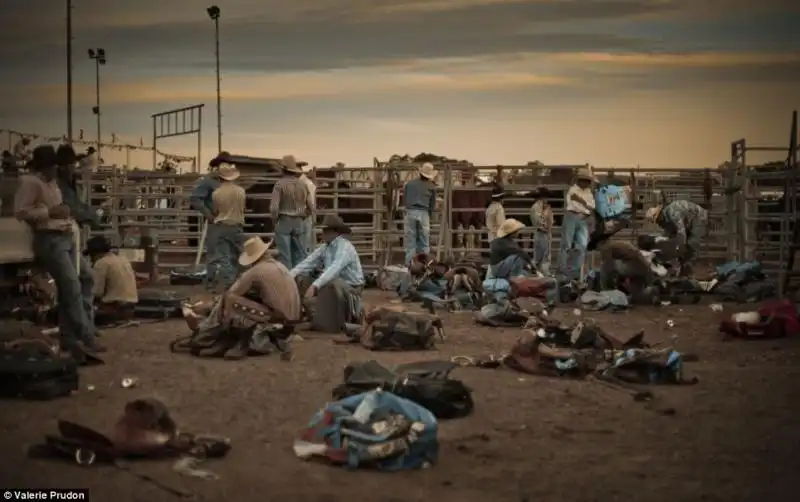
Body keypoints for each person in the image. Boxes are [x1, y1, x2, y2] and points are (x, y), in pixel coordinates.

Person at [13, 145, 104, 356]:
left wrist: (61, 212)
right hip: (50, 238)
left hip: (64, 236)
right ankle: (86, 335)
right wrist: (50, 212)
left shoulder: (51, 183)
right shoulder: (31, 183)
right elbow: (21, 212)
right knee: (72, 286)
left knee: (71, 286)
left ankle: (71, 337)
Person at [183, 236, 303, 360]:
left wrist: (212, 304)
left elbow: (231, 293)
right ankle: (215, 335)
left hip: (278, 318)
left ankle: (213, 335)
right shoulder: (280, 266)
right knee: (240, 299)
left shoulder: (255, 272)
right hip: (291, 319)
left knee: (230, 299)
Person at [291, 214, 365, 332]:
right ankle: (316, 318)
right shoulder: (326, 247)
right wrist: (289, 276)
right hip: (336, 285)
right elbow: (308, 262)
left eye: (326, 230)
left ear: (334, 232)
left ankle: (336, 321)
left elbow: (335, 268)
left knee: (333, 283)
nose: (323, 233)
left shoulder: (345, 247)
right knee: (301, 279)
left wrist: (316, 285)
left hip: (352, 288)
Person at [190, 153, 246, 291]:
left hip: (222, 221)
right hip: (220, 222)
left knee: (227, 254)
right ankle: (214, 283)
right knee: (216, 254)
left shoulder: (219, 185)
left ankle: (228, 283)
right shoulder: (209, 181)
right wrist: (209, 215)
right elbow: (195, 199)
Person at [270, 155, 314, 269]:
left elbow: (274, 208)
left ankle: (287, 282)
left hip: (284, 220)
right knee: (299, 255)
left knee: (285, 256)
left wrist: (275, 221)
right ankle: (298, 282)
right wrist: (304, 215)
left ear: (283, 169)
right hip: (299, 221)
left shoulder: (279, 185)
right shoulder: (303, 184)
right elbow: (311, 206)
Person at [646, 199, 709, 276]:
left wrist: (678, 250)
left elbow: (681, 235)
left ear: (660, 215)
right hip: (689, 222)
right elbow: (669, 236)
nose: (658, 223)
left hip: (699, 217)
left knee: (692, 243)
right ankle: (685, 267)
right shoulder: (666, 219)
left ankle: (691, 269)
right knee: (682, 246)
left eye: (657, 220)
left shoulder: (673, 213)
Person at [85, 236, 139, 325]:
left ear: (95, 253)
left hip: (112, 309)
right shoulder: (123, 260)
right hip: (130, 309)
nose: (90, 259)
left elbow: (97, 292)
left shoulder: (101, 263)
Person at [559, 167, 596, 280]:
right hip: (573, 215)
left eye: (587, 181)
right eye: (584, 180)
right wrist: (585, 206)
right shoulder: (573, 190)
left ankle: (576, 269)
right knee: (567, 243)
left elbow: (592, 206)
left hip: (582, 218)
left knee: (582, 245)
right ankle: (563, 269)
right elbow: (575, 205)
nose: (586, 183)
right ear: (579, 180)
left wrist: (582, 202)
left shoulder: (588, 192)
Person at [402, 162, 437, 264]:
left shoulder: (410, 184)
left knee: (410, 241)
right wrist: (429, 215)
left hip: (411, 212)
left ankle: (409, 265)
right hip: (424, 213)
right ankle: (425, 265)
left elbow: (405, 200)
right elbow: (432, 204)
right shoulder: (431, 186)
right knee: (424, 241)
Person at [529, 187, 554, 275]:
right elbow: (540, 221)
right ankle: (543, 272)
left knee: (540, 255)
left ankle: (538, 272)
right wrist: (546, 226)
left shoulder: (544, 207)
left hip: (543, 232)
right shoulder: (538, 207)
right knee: (544, 255)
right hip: (542, 232)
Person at [298, 163, 317, 253]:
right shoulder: (306, 181)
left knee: (302, 244)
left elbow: (309, 201)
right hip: (304, 215)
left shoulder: (302, 182)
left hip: (302, 215)